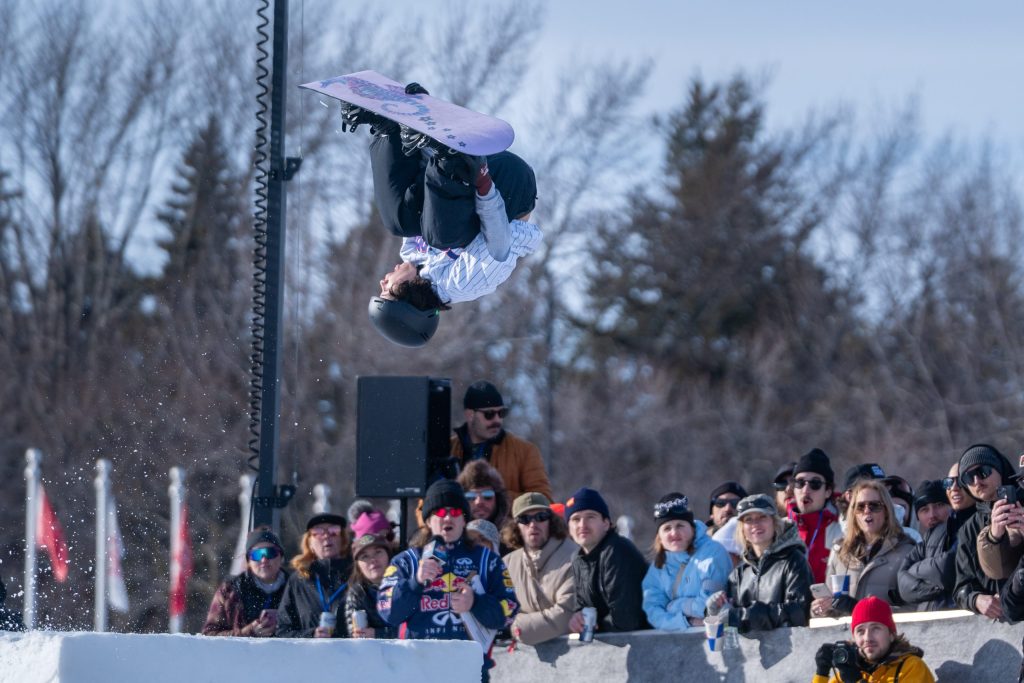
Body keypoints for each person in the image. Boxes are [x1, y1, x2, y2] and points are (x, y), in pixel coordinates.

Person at [353, 87, 541, 347]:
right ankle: (452, 159)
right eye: (387, 290)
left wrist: (417, 132)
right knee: (441, 237)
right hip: (508, 188)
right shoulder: (461, 284)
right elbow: (499, 244)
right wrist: (484, 182)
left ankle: (388, 130)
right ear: (408, 297)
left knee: (399, 222)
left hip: (464, 174)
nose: (383, 280)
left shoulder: (413, 254)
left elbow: (426, 193)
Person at [378, 479, 518, 681]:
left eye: (455, 513)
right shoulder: (406, 562)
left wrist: (476, 603)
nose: (447, 519)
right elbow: (387, 612)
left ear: (464, 520)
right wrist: (415, 583)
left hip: (468, 672)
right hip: (417, 671)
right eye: (441, 513)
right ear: (428, 520)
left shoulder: (487, 560)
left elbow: (509, 611)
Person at [706, 494, 813, 632]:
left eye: (762, 517)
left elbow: (799, 611)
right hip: (752, 652)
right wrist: (714, 610)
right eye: (748, 520)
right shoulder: (739, 573)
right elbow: (728, 620)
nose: (755, 524)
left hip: (793, 649)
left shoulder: (794, 560)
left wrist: (750, 615)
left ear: (774, 522)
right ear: (742, 530)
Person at [814, 480, 916, 618]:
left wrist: (860, 609)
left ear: (886, 511)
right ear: (853, 513)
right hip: (846, 636)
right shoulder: (840, 551)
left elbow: (915, 610)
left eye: (874, 506)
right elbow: (829, 608)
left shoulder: (906, 551)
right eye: (860, 507)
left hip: (886, 636)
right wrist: (819, 610)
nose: (867, 511)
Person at [641, 493, 732, 630]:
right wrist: (686, 622)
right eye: (667, 528)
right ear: (659, 537)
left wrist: (673, 606)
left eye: (680, 526)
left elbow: (708, 607)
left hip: (715, 639)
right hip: (675, 642)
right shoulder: (659, 565)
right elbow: (653, 612)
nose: (674, 533)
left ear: (692, 529)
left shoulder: (713, 554)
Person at [565, 487, 650, 634]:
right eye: (576, 519)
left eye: (590, 517)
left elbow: (626, 620)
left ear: (606, 523)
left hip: (651, 645)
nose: (582, 525)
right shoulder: (578, 559)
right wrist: (578, 618)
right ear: (569, 529)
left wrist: (593, 627)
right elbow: (583, 606)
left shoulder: (617, 551)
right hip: (615, 646)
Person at [451, 381, 553, 502]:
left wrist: (495, 499)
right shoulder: (447, 449)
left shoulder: (525, 451)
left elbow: (543, 500)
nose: (497, 420)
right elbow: (428, 501)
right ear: (470, 415)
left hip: (505, 521)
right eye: (489, 414)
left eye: (501, 413)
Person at [501, 492, 577, 646]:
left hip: (575, 660)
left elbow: (565, 617)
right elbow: (501, 611)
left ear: (551, 521)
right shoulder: (507, 564)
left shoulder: (575, 557)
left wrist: (516, 627)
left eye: (540, 517)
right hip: (522, 665)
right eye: (525, 519)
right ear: (516, 526)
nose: (533, 524)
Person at [898, 466, 978, 611]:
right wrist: (937, 588)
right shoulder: (923, 542)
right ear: (917, 517)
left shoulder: (967, 528)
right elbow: (903, 585)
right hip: (928, 622)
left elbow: (947, 568)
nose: (932, 515)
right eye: (924, 510)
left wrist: (914, 572)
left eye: (939, 505)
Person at [952, 443, 1017, 618]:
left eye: (983, 472)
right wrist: (976, 600)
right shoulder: (969, 528)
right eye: (968, 477)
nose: (976, 482)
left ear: (999, 470)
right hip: (999, 626)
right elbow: (960, 589)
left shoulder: (1021, 508)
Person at [812, 596, 935, 683]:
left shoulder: (912, 667)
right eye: (860, 631)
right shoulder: (850, 669)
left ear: (891, 635)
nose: (867, 638)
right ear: (854, 638)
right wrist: (821, 674)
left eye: (876, 628)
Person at [276, 512, 353, 638]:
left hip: (352, 655)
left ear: (343, 539)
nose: (326, 536)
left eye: (334, 531)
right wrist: (311, 634)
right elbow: (282, 630)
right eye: (318, 532)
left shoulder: (357, 575)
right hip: (310, 656)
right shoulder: (298, 580)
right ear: (309, 543)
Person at [202, 528, 289, 637]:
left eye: (270, 553)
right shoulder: (230, 590)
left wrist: (283, 630)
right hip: (240, 654)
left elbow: (308, 630)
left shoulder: (298, 588)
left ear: (281, 556)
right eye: (256, 555)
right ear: (248, 560)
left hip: (287, 653)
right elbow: (209, 635)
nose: (264, 560)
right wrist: (247, 632)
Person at [787, 448, 842, 584]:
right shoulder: (780, 529)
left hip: (826, 604)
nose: (806, 490)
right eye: (800, 483)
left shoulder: (841, 531)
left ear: (828, 491)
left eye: (815, 484)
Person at [344, 532, 398, 639]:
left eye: (378, 552)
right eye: (365, 556)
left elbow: (417, 628)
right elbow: (356, 635)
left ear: (389, 555)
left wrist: (379, 634)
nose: (373, 560)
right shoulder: (357, 594)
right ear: (358, 566)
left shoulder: (406, 585)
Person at [458, 459, 513, 533]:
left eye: (487, 495)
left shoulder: (511, 538)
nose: (479, 502)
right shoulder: (453, 538)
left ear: (498, 499)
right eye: (470, 496)